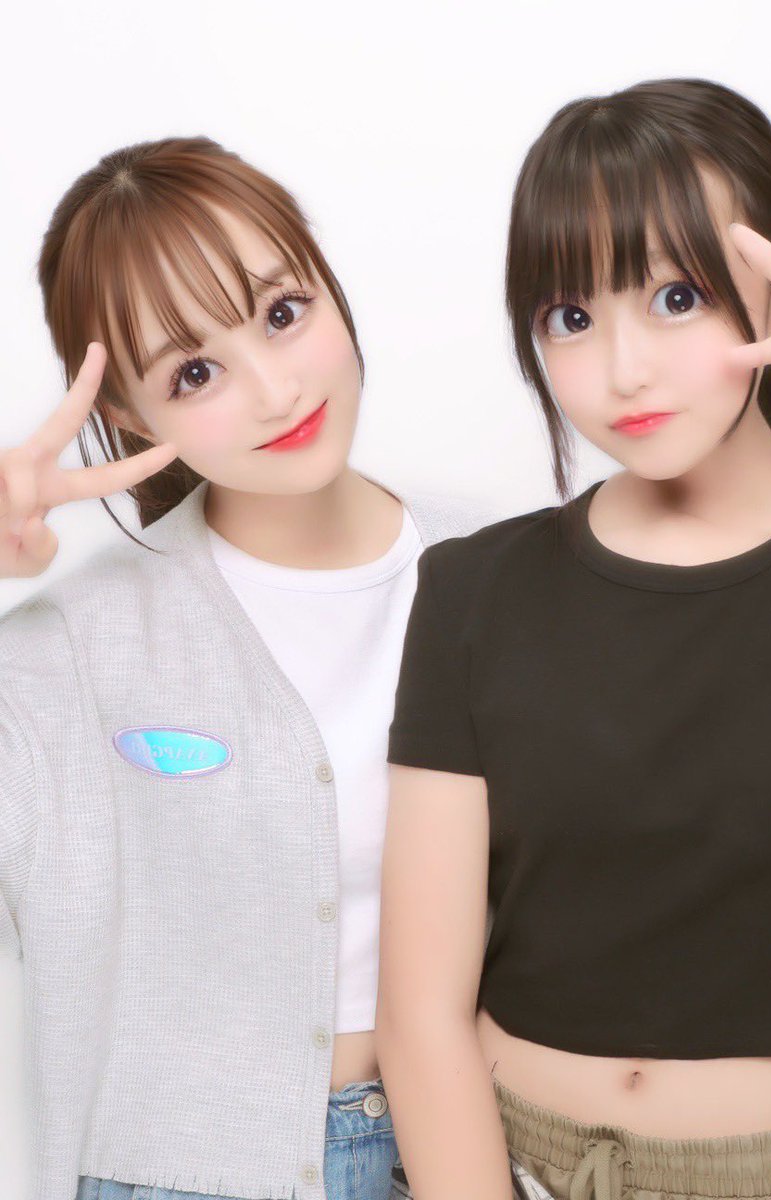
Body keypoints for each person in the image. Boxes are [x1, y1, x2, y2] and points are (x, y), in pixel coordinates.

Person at [375, 78, 771, 1200]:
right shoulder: (473, 589)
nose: (622, 370)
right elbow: (421, 1013)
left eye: (676, 296)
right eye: (571, 317)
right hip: (500, 1167)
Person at [0, 136, 500, 1200]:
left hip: (484, 1149)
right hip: (179, 1175)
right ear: (128, 415)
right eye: (194, 373)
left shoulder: (512, 569)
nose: (275, 390)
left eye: (282, 312)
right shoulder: (68, 651)